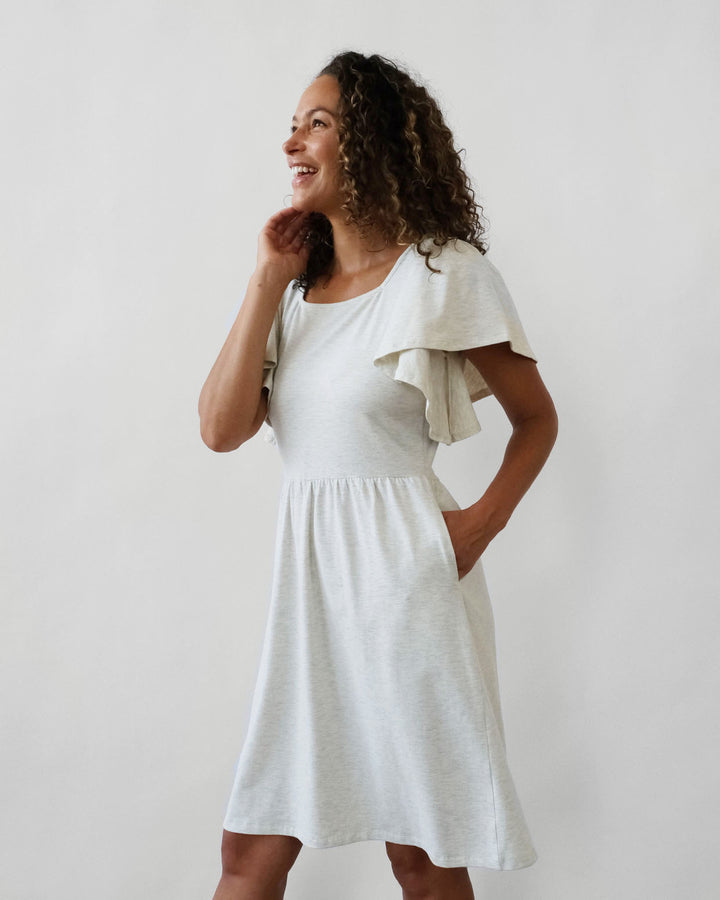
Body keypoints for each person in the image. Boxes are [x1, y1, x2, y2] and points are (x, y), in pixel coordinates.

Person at [199, 50, 558, 900]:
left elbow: (537, 420)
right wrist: (265, 278)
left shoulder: (443, 274)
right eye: (292, 125)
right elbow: (220, 428)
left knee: (420, 856)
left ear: (371, 141)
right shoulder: (295, 290)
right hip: (309, 593)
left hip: (406, 587)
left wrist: (476, 527)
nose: (293, 141)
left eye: (317, 124)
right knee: (249, 852)